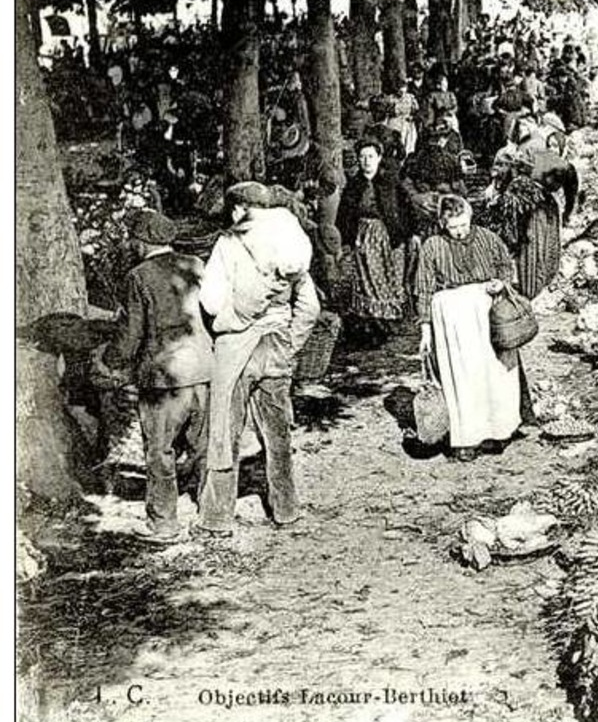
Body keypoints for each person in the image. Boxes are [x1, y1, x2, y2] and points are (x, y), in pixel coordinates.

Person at [196, 182, 320, 536]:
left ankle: (217, 517)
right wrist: (290, 343)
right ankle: (286, 508)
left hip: (236, 348)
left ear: (238, 209)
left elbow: (211, 301)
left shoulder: (229, 242)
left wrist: (228, 322)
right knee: (278, 430)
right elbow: (310, 307)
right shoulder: (291, 240)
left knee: (225, 429)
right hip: (277, 342)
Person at [100, 210, 213, 542]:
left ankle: (164, 523)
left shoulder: (138, 276)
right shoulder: (195, 264)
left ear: (141, 241)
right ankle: (212, 513)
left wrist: (111, 360)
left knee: (160, 451)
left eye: (134, 239)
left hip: (163, 376)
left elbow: (131, 333)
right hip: (204, 367)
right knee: (203, 446)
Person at [414, 196, 523, 462]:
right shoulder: (432, 246)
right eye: (453, 227)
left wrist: (500, 283)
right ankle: (467, 438)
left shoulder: (487, 238)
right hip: (452, 320)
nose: (460, 231)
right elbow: (424, 288)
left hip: (486, 314)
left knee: (494, 374)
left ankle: (498, 431)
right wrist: (426, 330)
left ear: (470, 217)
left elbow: (507, 267)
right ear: (443, 223)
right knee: (462, 378)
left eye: (463, 224)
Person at [336, 138, 415, 346]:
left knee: (389, 277)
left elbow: (405, 209)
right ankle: (371, 322)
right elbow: (344, 215)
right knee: (366, 279)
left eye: (370, 156)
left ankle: (389, 320)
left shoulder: (390, 183)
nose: (366, 161)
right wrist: (346, 240)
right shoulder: (353, 186)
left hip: (388, 236)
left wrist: (408, 233)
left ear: (379, 158)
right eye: (362, 157)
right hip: (363, 236)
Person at [481, 147, 575, 297]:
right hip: (548, 209)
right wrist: (567, 213)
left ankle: (531, 290)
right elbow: (571, 192)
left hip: (534, 216)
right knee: (544, 249)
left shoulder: (519, 182)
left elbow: (514, 218)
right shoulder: (544, 169)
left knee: (532, 250)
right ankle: (542, 285)